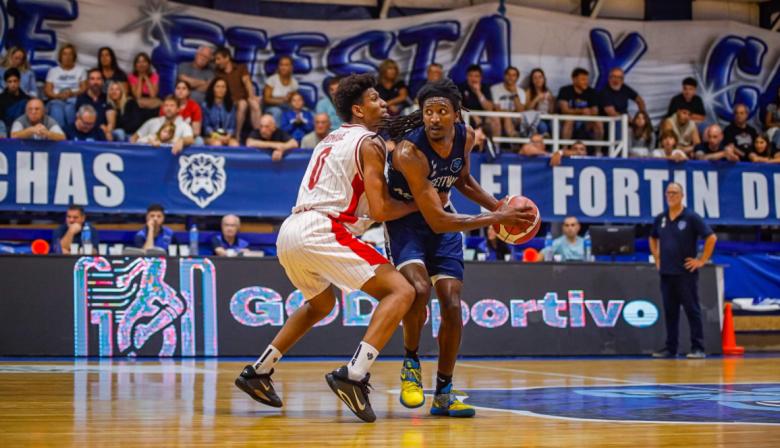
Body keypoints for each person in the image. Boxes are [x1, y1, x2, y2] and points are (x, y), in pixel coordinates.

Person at [233, 73, 420, 423]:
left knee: (320, 303)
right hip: (324, 228)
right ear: (358, 109)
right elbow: (380, 210)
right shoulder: (370, 142)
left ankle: (259, 371)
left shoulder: (328, 140)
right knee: (401, 291)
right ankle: (354, 375)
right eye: (376, 98)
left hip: (291, 230)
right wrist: (419, 204)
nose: (384, 104)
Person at [383, 79, 534, 418]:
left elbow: (462, 180)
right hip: (408, 223)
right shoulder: (409, 152)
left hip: (444, 219)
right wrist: (496, 216)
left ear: (455, 114)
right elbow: (436, 221)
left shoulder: (466, 136)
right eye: (428, 112)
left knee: (451, 304)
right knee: (419, 289)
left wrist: (500, 209)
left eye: (442, 112)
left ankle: (444, 392)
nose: (434, 118)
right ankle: (410, 363)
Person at [650, 182, 717, 359]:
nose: (671, 196)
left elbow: (711, 237)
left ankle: (698, 347)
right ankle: (671, 347)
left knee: (691, 310)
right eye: (668, 193)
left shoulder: (691, 217)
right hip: (666, 273)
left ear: (682, 195)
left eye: (674, 193)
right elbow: (652, 237)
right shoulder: (661, 218)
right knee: (670, 312)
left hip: (685, 273)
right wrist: (657, 257)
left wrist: (701, 260)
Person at [215, 47, 261, 140]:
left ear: (227, 58)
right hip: (229, 101)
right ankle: (237, 135)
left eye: (218, 59)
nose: (216, 62)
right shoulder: (218, 73)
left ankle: (259, 135)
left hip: (244, 99)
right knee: (242, 104)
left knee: (254, 104)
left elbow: (247, 82)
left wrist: (252, 97)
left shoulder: (241, 68)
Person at [44, 43, 87, 131]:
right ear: (60, 56)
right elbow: (47, 91)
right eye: (64, 54)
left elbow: (84, 88)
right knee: (56, 109)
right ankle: (60, 135)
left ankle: (72, 134)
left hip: (74, 99)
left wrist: (72, 93)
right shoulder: (53, 71)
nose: (67, 57)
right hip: (56, 99)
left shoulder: (81, 70)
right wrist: (58, 96)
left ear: (74, 56)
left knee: (69, 108)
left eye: (70, 54)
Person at [557, 67, 602, 143]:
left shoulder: (592, 92)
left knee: (598, 122)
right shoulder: (565, 90)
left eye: (587, 79)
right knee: (569, 120)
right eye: (583, 79)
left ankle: (598, 150)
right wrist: (581, 111)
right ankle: (564, 149)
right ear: (574, 79)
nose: (586, 82)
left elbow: (595, 111)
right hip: (568, 121)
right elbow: (564, 110)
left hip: (586, 121)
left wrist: (588, 113)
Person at [458, 64, 499, 136]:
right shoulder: (461, 87)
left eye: (476, 76)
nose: (473, 79)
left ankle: (495, 146)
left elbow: (489, 108)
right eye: (471, 76)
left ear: (481, 78)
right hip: (467, 115)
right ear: (467, 77)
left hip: (483, 115)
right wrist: (472, 114)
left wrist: (478, 92)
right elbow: (458, 106)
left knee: (495, 119)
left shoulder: (485, 87)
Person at [75, 68, 114, 141]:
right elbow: (80, 120)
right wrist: (99, 127)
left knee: (118, 133)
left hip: (104, 131)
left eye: (98, 79)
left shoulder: (107, 98)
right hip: (87, 129)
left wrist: (108, 130)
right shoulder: (81, 98)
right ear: (88, 82)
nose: (95, 82)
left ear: (102, 81)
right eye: (92, 79)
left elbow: (111, 122)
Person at [491, 66, 527, 138]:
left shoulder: (521, 91)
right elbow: (496, 108)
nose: (511, 77)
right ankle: (513, 136)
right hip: (500, 116)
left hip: (516, 118)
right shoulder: (495, 88)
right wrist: (508, 112)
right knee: (507, 116)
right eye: (508, 74)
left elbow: (521, 110)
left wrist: (514, 93)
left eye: (513, 75)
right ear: (504, 76)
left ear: (517, 78)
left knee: (521, 118)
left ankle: (514, 139)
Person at [202, 77, 238, 147]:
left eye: (223, 87)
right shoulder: (206, 105)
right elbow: (206, 128)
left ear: (226, 89)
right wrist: (218, 137)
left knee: (235, 144)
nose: (220, 89)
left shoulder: (231, 105)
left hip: (226, 136)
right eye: (217, 87)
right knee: (217, 143)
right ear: (213, 89)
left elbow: (232, 127)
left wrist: (228, 136)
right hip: (211, 136)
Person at [263, 55, 298, 124]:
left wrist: (291, 99)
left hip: (286, 107)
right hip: (271, 107)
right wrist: (282, 100)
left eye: (286, 65)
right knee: (278, 111)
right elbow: (266, 99)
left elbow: (293, 99)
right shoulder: (272, 79)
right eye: (281, 65)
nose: (283, 67)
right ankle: (277, 134)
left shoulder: (294, 82)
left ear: (291, 67)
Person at [128, 52, 162, 122]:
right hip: (138, 101)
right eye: (139, 62)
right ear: (135, 65)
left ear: (148, 64)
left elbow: (153, 95)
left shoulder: (154, 76)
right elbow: (137, 96)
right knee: (137, 103)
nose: (141, 64)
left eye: (144, 61)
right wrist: (140, 77)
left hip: (151, 100)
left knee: (159, 103)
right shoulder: (131, 77)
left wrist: (146, 77)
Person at [525, 68, 555, 135]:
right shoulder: (529, 91)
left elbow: (551, 112)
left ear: (544, 79)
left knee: (555, 125)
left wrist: (551, 102)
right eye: (535, 78)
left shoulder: (548, 91)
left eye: (540, 77)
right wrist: (536, 99)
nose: (538, 80)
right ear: (532, 80)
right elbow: (526, 109)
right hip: (535, 119)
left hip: (547, 117)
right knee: (542, 126)